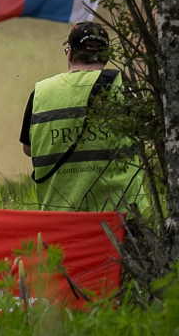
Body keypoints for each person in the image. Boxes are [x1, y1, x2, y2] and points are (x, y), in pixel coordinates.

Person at [20, 21, 150, 214]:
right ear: (107, 56)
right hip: (120, 216)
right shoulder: (121, 84)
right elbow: (146, 132)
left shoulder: (40, 92)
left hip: (59, 216)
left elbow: (28, 149)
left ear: (70, 53)